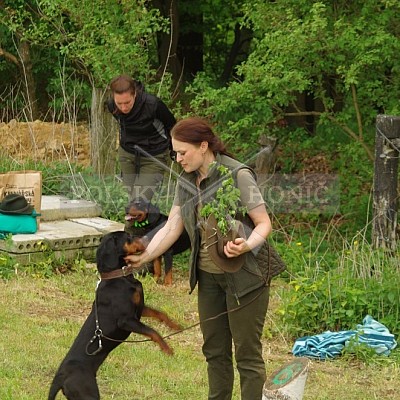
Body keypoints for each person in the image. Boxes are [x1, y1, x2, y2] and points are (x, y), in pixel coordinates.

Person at [125, 117, 272, 400]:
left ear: (203, 146)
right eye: (174, 153)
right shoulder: (186, 180)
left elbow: (264, 223)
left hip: (246, 279)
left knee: (247, 356)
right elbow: (171, 226)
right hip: (208, 280)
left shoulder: (238, 174)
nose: (178, 158)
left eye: (183, 152)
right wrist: (143, 258)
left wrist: (246, 244)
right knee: (214, 352)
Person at [107, 75, 176, 202]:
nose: (123, 108)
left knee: (139, 201)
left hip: (154, 155)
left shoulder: (153, 105)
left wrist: (174, 149)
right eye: (119, 103)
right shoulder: (111, 105)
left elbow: (172, 126)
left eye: (127, 102)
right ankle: (150, 221)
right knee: (133, 199)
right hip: (128, 153)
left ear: (135, 95)